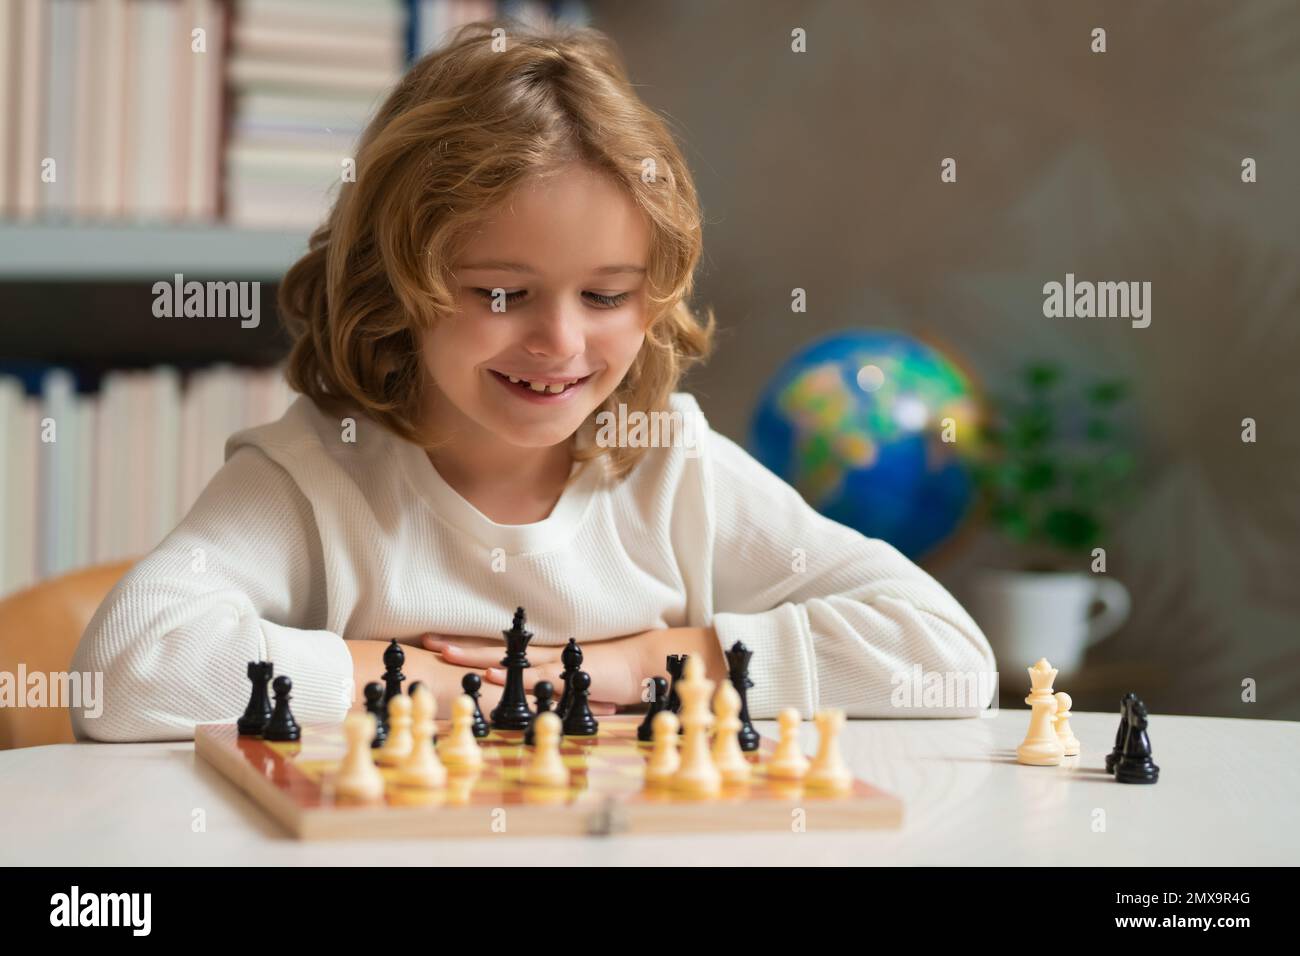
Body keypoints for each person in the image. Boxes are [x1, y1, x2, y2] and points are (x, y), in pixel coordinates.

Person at [71, 19, 994, 742]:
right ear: (398, 283)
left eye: (606, 294)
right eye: (502, 292)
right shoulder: (315, 475)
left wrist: (643, 665)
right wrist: (416, 682)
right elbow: (125, 672)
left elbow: (949, 659)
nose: (559, 340)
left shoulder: (669, 467)